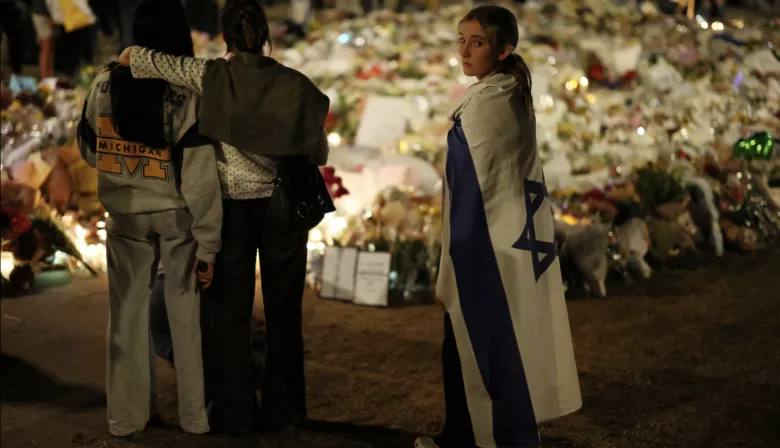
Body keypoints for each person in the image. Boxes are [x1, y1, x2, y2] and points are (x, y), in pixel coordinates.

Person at [118, 0, 330, 435]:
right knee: (284, 312)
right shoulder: (297, 85)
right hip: (281, 209)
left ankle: (235, 412)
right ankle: (284, 409)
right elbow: (318, 151)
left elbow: (138, 59)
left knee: (229, 316)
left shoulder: (209, 76)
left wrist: (126, 57)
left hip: (231, 211)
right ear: (266, 34)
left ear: (226, 36)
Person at [415, 5, 582, 448]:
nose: (465, 52)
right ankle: (471, 432)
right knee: (484, 344)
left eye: (478, 43)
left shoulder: (486, 108)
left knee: (475, 345)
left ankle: (468, 437)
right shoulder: (506, 93)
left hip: (487, 247)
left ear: (504, 49)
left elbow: (473, 193)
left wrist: (450, 267)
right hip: (505, 240)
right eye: (462, 40)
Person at [77, 0, 222, 437]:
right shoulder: (186, 93)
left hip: (124, 213)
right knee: (185, 316)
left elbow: (87, 145)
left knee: (125, 315)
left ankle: (125, 417)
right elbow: (198, 175)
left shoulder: (103, 84)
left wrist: (121, 172)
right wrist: (210, 242)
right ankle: (195, 417)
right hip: (177, 217)